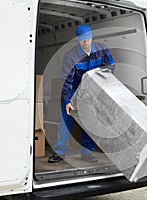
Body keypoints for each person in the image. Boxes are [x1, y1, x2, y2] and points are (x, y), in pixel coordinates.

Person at [48, 24, 115, 163]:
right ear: (78, 40)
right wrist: (67, 101)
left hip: (92, 90)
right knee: (66, 120)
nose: (86, 43)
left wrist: (101, 76)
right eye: (83, 40)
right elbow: (66, 80)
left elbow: (110, 65)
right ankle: (60, 152)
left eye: (88, 39)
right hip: (74, 90)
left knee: (90, 121)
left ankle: (86, 153)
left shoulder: (101, 49)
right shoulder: (71, 56)